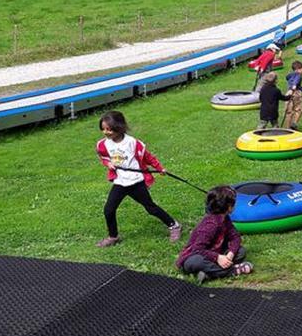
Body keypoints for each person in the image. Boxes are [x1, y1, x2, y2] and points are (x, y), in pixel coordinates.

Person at [95, 110, 181, 248]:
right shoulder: (103, 144)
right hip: (120, 182)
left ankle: (174, 225)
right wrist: (108, 164)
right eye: (103, 129)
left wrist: (160, 168)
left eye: (109, 129)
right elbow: (103, 157)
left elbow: (148, 157)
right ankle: (113, 236)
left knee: (150, 208)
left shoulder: (132, 143)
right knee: (109, 210)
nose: (106, 132)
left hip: (135, 181)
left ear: (119, 127)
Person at [176, 185, 253, 284]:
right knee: (195, 262)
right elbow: (197, 249)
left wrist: (230, 254)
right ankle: (232, 270)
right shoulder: (210, 225)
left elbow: (235, 237)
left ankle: (209, 273)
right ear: (228, 206)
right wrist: (218, 258)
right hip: (196, 256)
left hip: (217, 252)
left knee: (241, 251)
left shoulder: (225, 219)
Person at [282, 61, 302, 130]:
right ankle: (294, 124)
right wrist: (293, 86)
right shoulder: (298, 75)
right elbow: (296, 82)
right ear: (299, 69)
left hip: (288, 93)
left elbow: (289, 78)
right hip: (296, 93)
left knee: (289, 111)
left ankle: (287, 128)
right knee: (299, 109)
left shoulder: (291, 75)